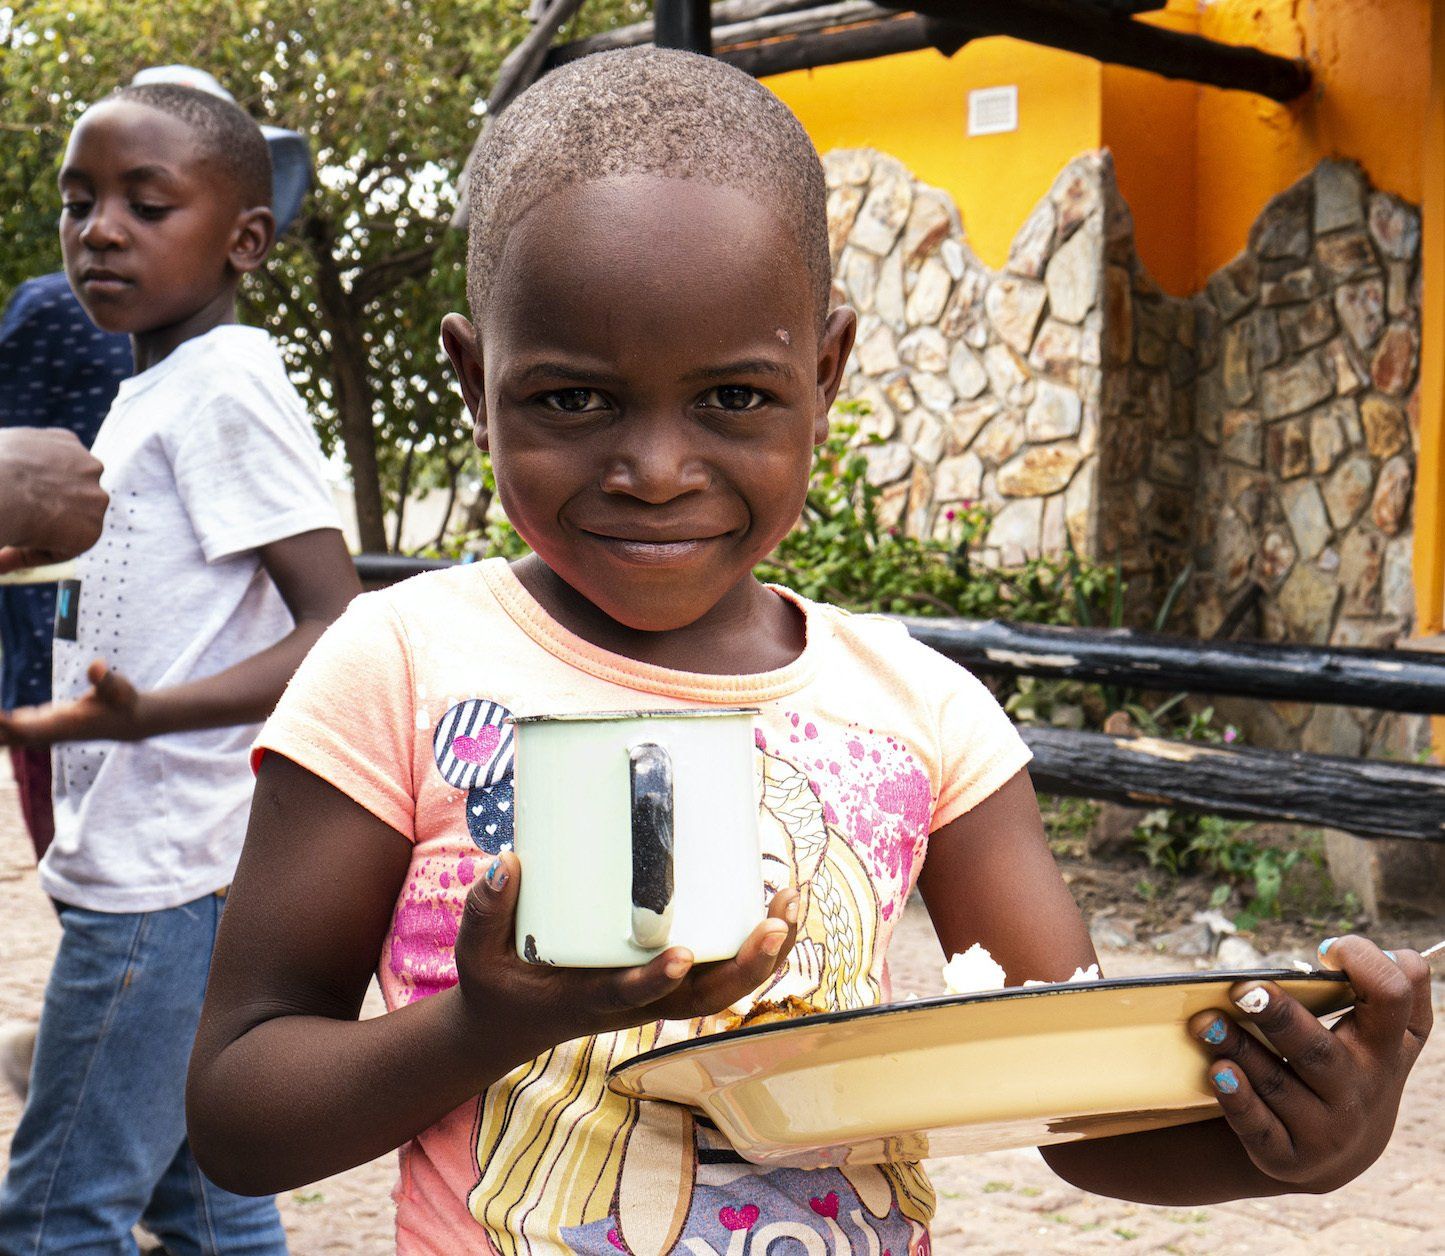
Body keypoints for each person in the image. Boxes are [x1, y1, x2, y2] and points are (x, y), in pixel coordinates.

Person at [185, 48, 1434, 1256]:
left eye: (732, 397)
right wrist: (488, 1023)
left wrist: (1305, 1140)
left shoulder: (923, 711)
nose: (655, 470)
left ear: (825, 369)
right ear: (474, 379)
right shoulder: (398, 663)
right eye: (571, 399)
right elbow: (239, 1107)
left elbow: (1083, 1113)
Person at [0, 81, 359, 1253]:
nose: (99, 229)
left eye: (146, 205)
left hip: (168, 875)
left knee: (56, 1215)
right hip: (164, 858)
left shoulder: (226, 387)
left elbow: (332, 623)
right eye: (79, 201)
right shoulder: (155, 388)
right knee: (201, 1198)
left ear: (244, 238)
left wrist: (148, 714)